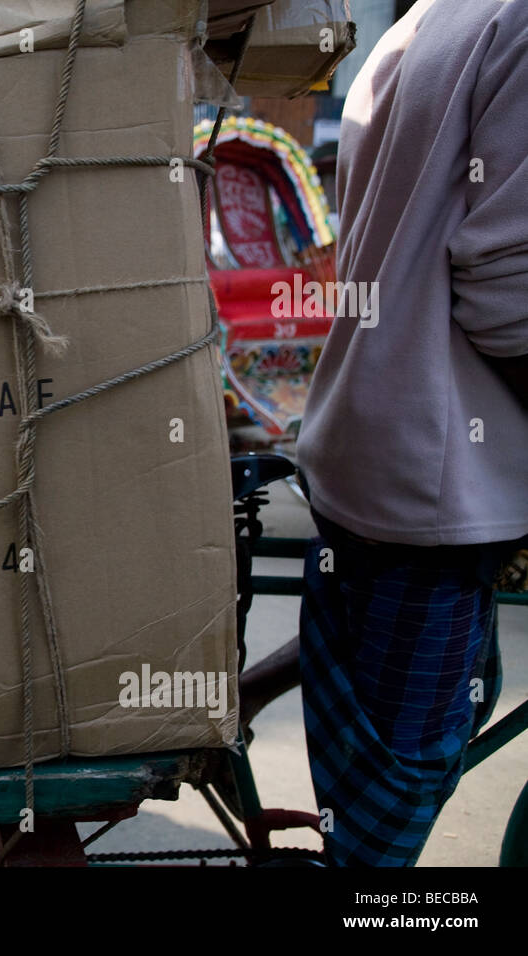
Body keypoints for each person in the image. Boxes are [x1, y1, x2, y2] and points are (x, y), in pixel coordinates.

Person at [295, 0, 528, 866]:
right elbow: (512, 300)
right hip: (435, 479)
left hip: (374, 451)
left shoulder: (432, 14)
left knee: (377, 801)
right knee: (376, 845)